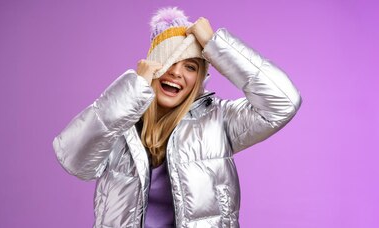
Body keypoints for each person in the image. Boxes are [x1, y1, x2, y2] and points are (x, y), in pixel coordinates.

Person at [53, 7, 302, 228]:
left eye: (190, 67)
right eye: (168, 60)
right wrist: (133, 88)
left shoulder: (219, 120)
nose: (175, 72)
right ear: (152, 65)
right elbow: (74, 159)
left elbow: (283, 103)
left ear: (200, 79)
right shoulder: (121, 121)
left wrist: (216, 44)